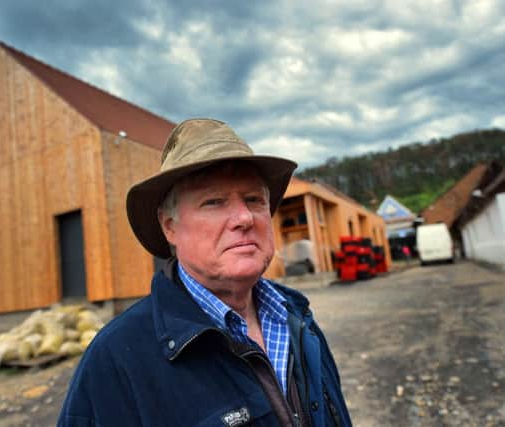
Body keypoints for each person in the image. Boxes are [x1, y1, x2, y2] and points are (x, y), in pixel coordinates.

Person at [58, 119, 352, 427]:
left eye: (254, 200)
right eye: (214, 202)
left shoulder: (298, 318)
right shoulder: (116, 359)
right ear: (169, 226)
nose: (244, 217)